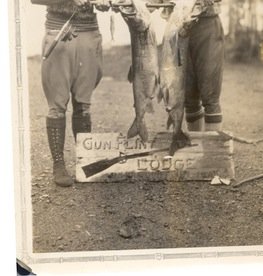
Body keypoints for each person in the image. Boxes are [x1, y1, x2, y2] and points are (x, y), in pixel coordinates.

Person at [31, 0, 110, 187]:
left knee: (83, 103)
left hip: (90, 32)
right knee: (57, 105)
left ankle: (85, 161)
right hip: (59, 30)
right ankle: (58, 165)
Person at [184, 0, 225, 131]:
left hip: (207, 24)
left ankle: (212, 148)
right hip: (179, 25)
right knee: (188, 95)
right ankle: (195, 145)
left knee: (210, 95)